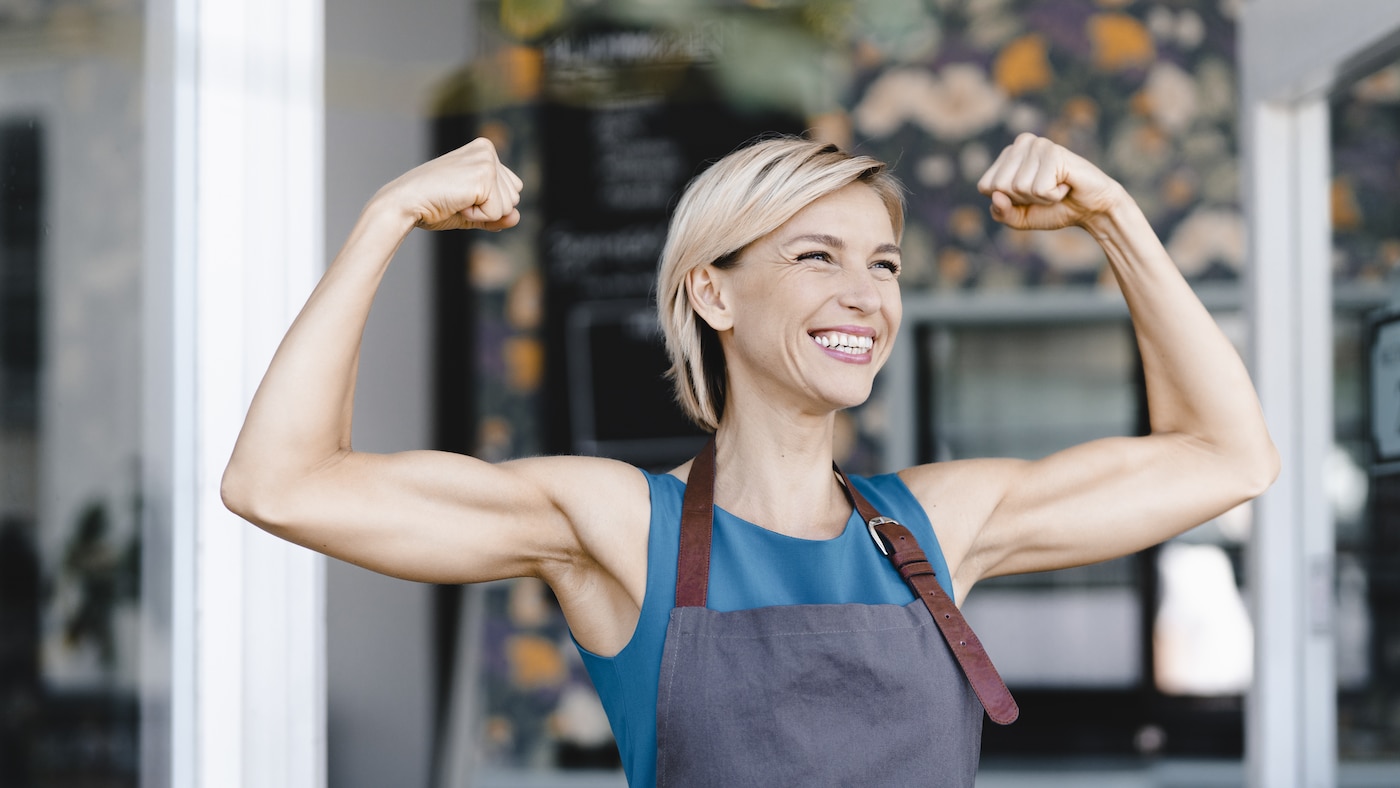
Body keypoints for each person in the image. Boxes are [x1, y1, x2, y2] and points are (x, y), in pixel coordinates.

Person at [222, 132, 1279, 786]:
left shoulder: (936, 523)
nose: (864, 294)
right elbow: (281, 481)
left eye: (882, 263)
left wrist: (1115, 217)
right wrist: (385, 215)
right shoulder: (614, 527)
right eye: (814, 256)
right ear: (712, 293)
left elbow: (1227, 456)